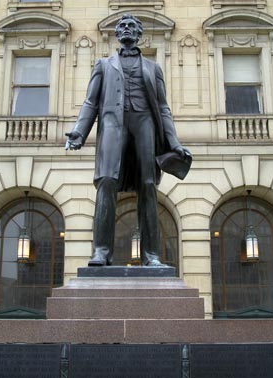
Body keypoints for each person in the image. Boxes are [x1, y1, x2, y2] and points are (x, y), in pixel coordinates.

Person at [66, 14, 190, 267]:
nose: (126, 29)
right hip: (113, 125)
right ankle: (101, 252)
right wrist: (79, 132)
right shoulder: (103, 65)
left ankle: (151, 256)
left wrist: (174, 143)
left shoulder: (153, 68)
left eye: (131, 26)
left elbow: (164, 108)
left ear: (139, 33)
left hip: (145, 124)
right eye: (121, 26)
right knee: (107, 181)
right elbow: (91, 102)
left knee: (147, 185)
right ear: (116, 33)